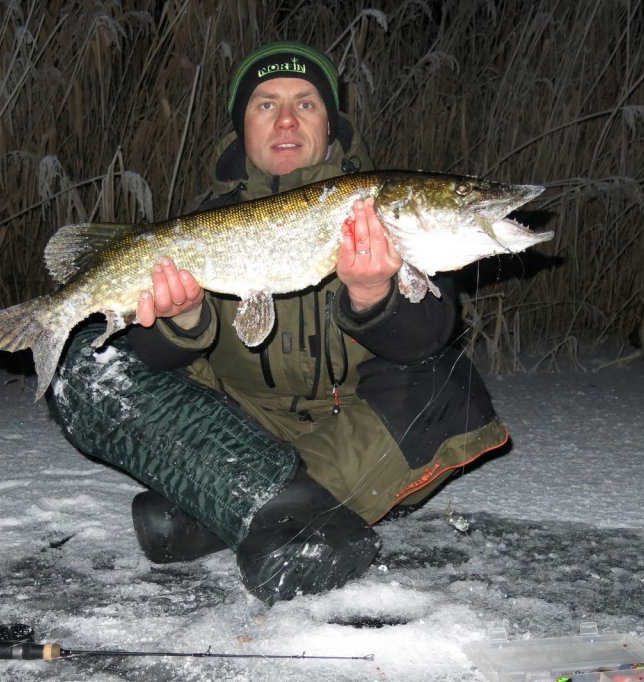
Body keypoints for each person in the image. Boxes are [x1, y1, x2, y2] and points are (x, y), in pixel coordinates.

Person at [47, 41, 508, 605]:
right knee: (88, 366)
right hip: (234, 431)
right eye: (265, 105)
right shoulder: (202, 224)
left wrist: (370, 291)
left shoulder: (379, 210)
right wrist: (180, 318)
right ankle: (278, 509)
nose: (286, 120)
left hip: (355, 432)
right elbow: (157, 366)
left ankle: (224, 505)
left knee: (449, 389)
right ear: (242, 129)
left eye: (306, 104)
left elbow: (425, 340)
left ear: (331, 125)